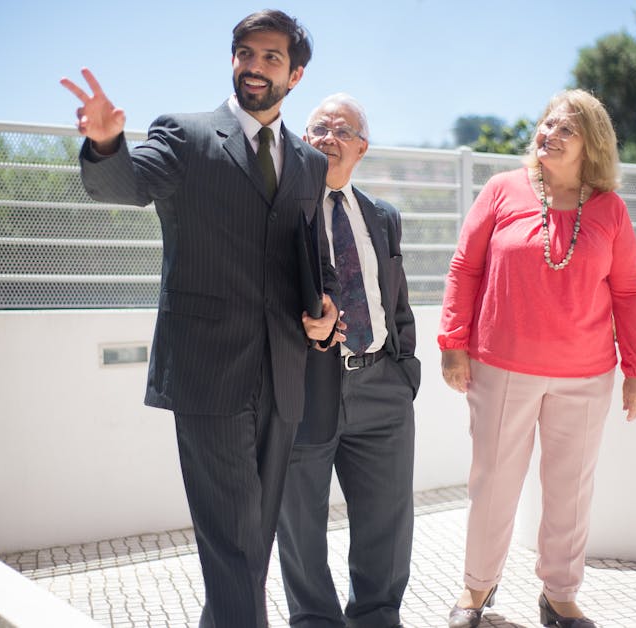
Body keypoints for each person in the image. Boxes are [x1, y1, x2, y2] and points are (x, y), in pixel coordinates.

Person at [60, 11, 341, 628]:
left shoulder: (308, 162)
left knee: (248, 541)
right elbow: (128, 184)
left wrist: (325, 312)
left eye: (271, 57)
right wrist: (107, 145)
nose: (254, 67)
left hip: (283, 374)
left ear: (295, 75)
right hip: (208, 372)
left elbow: (311, 259)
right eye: (245, 53)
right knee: (234, 542)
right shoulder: (185, 136)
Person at [438, 89, 636, 628]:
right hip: (502, 365)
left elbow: (629, 292)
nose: (549, 134)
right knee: (494, 484)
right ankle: (476, 589)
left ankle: (559, 596)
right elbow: (465, 267)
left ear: (591, 145)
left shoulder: (610, 209)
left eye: (566, 129)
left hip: (585, 376)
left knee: (570, 491)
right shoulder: (502, 190)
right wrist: (452, 343)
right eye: (547, 123)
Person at [275, 93, 421, 628]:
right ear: (302, 141)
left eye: (342, 130)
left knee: (387, 521)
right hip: (306, 387)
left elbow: (395, 298)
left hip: (382, 384)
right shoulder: (282, 213)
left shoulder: (383, 216)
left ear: (362, 147)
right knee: (300, 522)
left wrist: (404, 372)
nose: (329, 138)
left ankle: (377, 617)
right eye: (319, 128)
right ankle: (315, 620)